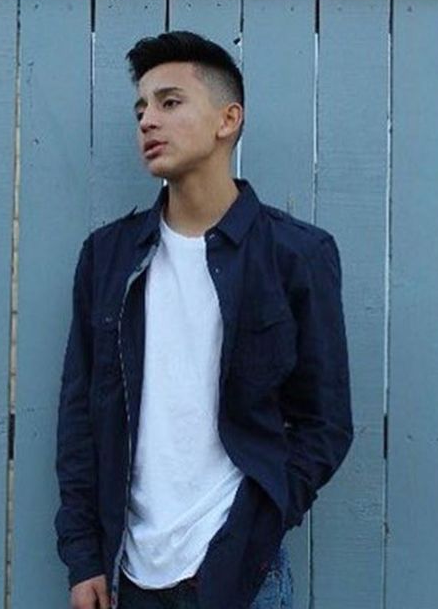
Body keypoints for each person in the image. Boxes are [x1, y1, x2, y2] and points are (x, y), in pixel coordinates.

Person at [54, 30, 353, 609]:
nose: (148, 120)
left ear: (227, 120)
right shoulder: (108, 257)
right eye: (141, 108)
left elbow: (326, 423)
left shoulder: (295, 254)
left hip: (241, 575)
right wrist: (83, 555)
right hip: (127, 576)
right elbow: (80, 419)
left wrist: (259, 523)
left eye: (170, 102)